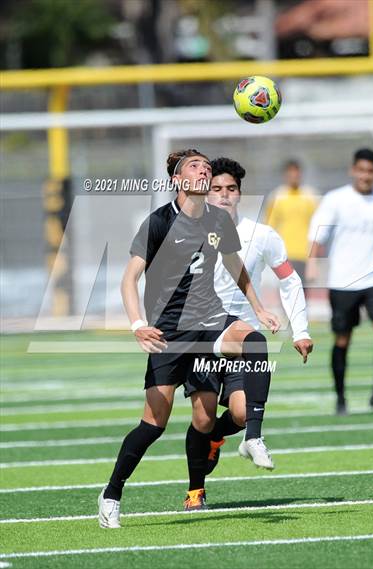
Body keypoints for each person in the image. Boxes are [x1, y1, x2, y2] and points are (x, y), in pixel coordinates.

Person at [98, 149, 281, 528]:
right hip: (171, 333)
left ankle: (253, 437)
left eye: (206, 167)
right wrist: (136, 325)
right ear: (178, 181)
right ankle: (112, 492)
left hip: (211, 320)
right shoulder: (158, 223)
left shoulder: (218, 219)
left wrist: (259, 308)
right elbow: (129, 279)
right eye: (195, 167)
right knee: (153, 424)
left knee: (255, 342)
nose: (203, 171)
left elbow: (236, 267)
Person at [183, 157, 313, 510]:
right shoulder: (188, 230)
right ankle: (196, 489)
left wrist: (299, 329)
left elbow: (289, 280)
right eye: (216, 189)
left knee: (240, 415)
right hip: (201, 335)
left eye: (231, 189)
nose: (224, 196)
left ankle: (238, 438)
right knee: (203, 417)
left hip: (243, 338)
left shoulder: (262, 235)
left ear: (240, 193)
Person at [306, 148, 373, 416]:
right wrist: (312, 262)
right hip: (343, 281)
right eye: (362, 170)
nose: (366, 176)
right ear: (353, 170)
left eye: (371, 171)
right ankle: (341, 399)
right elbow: (318, 233)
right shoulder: (336, 200)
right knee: (343, 339)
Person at [265, 159, 317, 280]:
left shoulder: (311, 196)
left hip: (305, 255)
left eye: (296, 173)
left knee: (302, 294)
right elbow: (269, 226)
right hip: (283, 255)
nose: (294, 176)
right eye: (290, 173)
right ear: (285, 175)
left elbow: (317, 226)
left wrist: (314, 259)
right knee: (285, 293)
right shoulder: (276, 196)